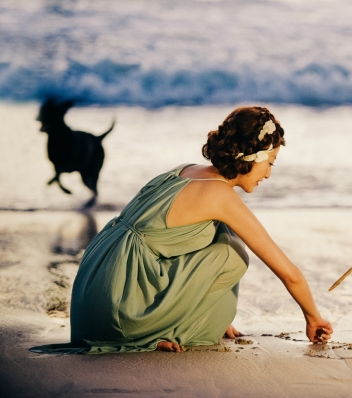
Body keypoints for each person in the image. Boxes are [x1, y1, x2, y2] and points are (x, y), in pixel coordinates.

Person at [32, 106, 332, 353]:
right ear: (252, 157)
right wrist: (313, 317)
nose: (268, 173)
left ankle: (185, 319)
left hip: (93, 294)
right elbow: (286, 270)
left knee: (223, 235)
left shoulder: (185, 171)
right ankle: (148, 331)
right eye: (271, 163)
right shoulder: (221, 197)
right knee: (233, 253)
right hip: (119, 310)